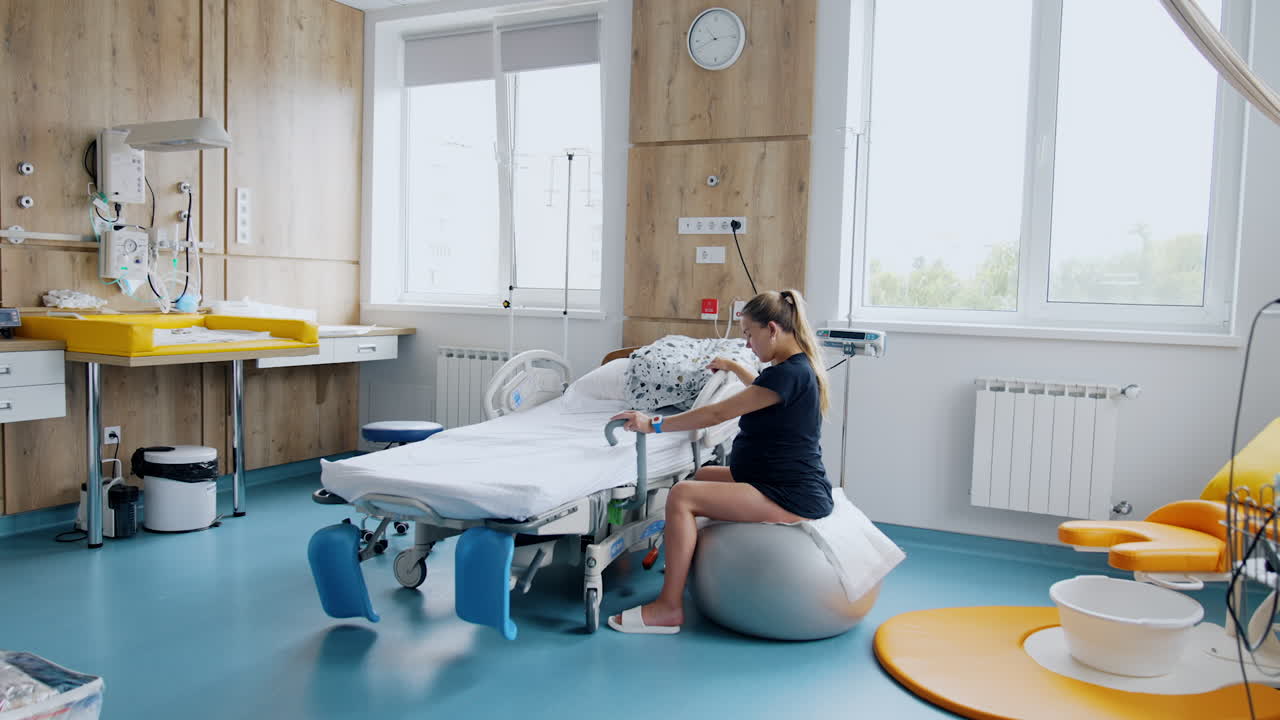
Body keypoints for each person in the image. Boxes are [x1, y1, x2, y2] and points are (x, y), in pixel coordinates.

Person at [607, 288, 833, 634]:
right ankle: (684, 558)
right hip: (776, 480)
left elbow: (717, 412)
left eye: (749, 334)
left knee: (683, 494)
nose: (747, 344)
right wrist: (731, 367)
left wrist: (651, 423)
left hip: (789, 493)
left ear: (772, 329)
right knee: (703, 474)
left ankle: (668, 608)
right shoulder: (795, 368)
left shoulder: (787, 374)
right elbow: (761, 389)